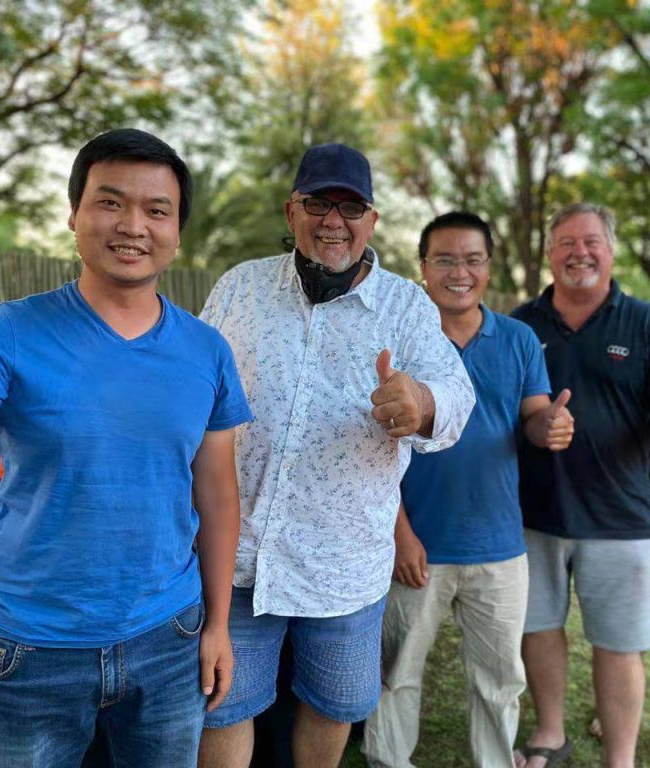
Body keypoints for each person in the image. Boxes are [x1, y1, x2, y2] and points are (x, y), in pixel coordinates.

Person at [0, 129, 252, 767]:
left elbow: (217, 494)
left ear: (177, 231)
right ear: (74, 215)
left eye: (156, 209)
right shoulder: (10, 332)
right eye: (110, 202)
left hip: (170, 636)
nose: (133, 225)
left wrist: (217, 625)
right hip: (31, 648)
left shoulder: (207, 350)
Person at [197, 143, 475, 768]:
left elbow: (458, 396)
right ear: (291, 211)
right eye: (319, 203)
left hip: (344, 565)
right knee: (224, 702)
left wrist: (421, 402)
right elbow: (193, 383)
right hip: (238, 553)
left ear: (371, 221)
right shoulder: (240, 288)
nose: (333, 221)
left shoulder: (405, 306)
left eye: (351, 208)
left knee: (335, 705)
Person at [362, 212, 573, 768]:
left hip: (499, 546)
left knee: (500, 681)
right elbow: (369, 449)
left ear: (489, 267)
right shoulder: (396, 340)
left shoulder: (519, 339)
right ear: (423, 267)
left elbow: (532, 418)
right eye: (446, 260)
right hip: (416, 546)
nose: (460, 272)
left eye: (473, 259)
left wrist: (549, 425)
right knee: (396, 674)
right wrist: (401, 535)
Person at [511, 202, 650, 768]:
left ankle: (619, 760)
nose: (580, 252)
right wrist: (536, 425)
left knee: (620, 645)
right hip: (533, 513)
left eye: (592, 241)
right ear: (549, 254)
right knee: (538, 629)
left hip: (622, 517)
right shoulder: (520, 325)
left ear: (611, 251)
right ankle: (549, 734)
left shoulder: (646, 324)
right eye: (567, 242)